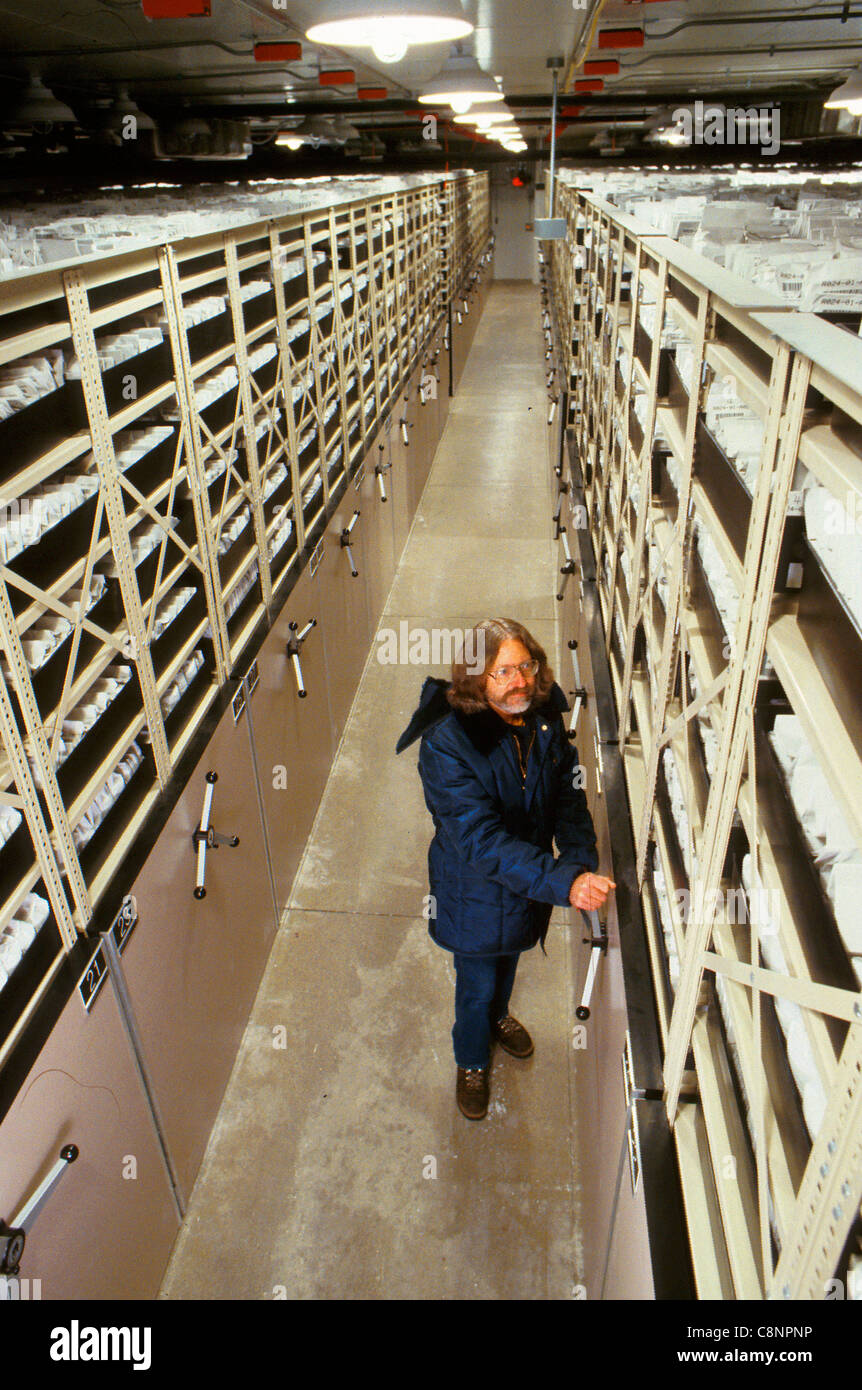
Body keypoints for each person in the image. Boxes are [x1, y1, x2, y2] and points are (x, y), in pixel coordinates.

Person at [396, 617, 615, 1120]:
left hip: (528, 882)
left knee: (511, 958)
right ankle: (471, 1060)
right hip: (473, 890)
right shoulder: (447, 744)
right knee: (475, 981)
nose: (520, 681)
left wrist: (578, 858)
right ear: (475, 679)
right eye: (503, 672)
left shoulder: (541, 718)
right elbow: (480, 841)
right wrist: (563, 881)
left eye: (526, 667)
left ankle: (499, 1018)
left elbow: (566, 792)